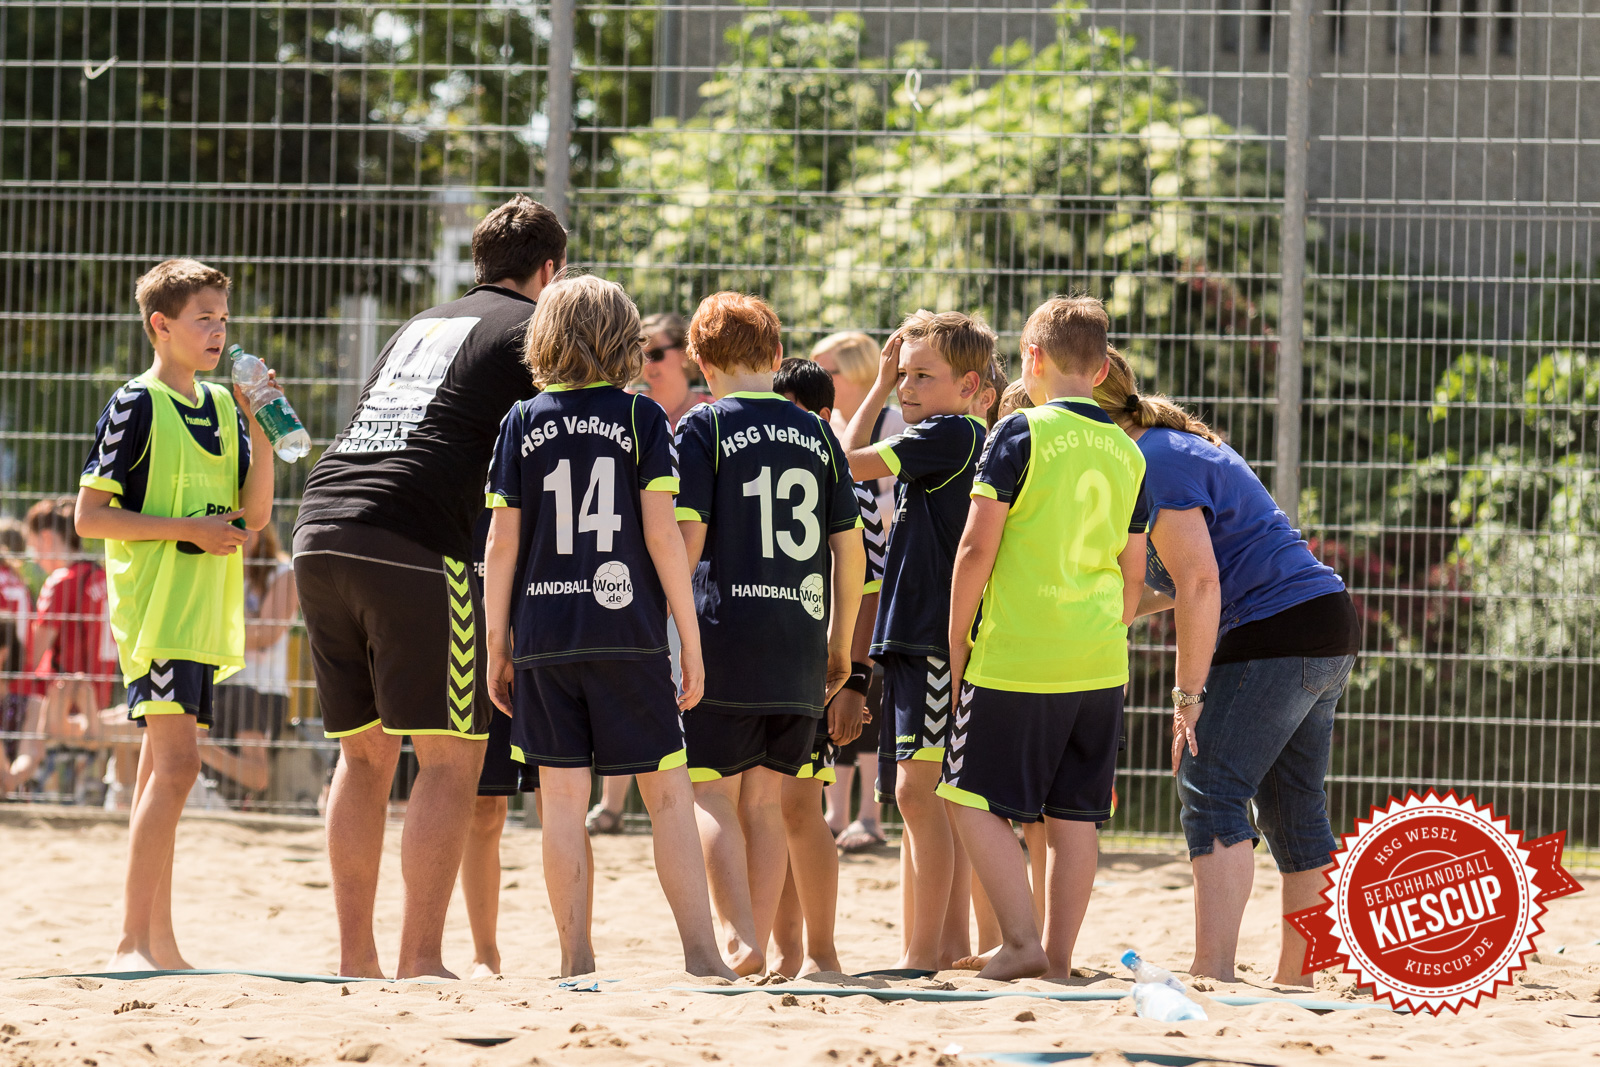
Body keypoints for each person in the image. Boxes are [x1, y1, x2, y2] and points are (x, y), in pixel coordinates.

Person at [292, 195, 566, 980]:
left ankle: (357, 959)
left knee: (364, 755)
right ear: (551, 271)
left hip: (323, 523)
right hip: (413, 539)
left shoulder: (421, 323)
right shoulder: (530, 330)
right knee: (451, 759)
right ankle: (420, 960)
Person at [479, 274, 731, 979]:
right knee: (668, 794)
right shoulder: (640, 417)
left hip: (545, 630)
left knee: (562, 799)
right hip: (629, 632)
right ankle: (703, 955)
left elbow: (502, 543)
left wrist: (499, 640)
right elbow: (661, 534)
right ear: (623, 338)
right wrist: (689, 633)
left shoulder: (521, 421)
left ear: (545, 338)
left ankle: (574, 958)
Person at [1094, 346, 1361, 987]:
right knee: (1295, 810)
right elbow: (1182, 579)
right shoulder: (1166, 446)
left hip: (1278, 628)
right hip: (1322, 620)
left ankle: (1213, 970)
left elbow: (1200, 584)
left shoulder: (1151, 460)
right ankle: (1298, 979)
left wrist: (1187, 695)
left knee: (1210, 788)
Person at [938, 296, 1147, 981]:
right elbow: (1134, 576)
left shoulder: (1019, 432)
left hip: (1021, 650)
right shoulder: (1127, 450)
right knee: (1074, 814)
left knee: (966, 797)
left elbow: (975, 548)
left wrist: (957, 636)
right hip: (1098, 656)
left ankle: (1022, 939)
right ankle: (1056, 959)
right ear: (1103, 366)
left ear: (1033, 359)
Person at [75, 258, 276, 969]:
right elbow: (90, 517)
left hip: (200, 616)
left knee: (162, 771)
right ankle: (131, 939)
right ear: (161, 326)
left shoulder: (224, 405)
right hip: (157, 613)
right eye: (205, 319)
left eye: (224, 318)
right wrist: (187, 530)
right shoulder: (136, 403)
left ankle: (158, 942)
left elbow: (254, 515)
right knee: (179, 768)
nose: (219, 331)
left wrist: (260, 424)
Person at [674, 293, 864, 977]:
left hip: (727, 631)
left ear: (701, 362)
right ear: (778, 357)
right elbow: (851, 548)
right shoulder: (817, 434)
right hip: (800, 639)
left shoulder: (705, 428)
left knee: (711, 790)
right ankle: (755, 938)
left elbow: (688, 537)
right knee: (766, 799)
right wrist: (840, 644)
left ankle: (737, 936)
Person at [842, 310, 992, 972]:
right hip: (911, 636)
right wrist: (880, 384)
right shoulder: (943, 432)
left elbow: (845, 461)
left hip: (932, 636)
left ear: (967, 384)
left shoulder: (950, 431)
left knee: (918, 792)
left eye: (921, 376)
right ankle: (946, 944)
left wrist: (874, 394)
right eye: (905, 375)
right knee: (923, 796)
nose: (908, 387)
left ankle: (922, 953)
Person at [768, 356, 882, 976]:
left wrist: (853, 678)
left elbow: (865, 587)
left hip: (816, 667)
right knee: (763, 809)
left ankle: (821, 952)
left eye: (789, 410)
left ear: (818, 415)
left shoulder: (842, 477)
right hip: (762, 660)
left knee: (797, 809)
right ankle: (782, 952)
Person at [587, 311, 710, 835]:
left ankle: (681, 800)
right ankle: (612, 804)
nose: (646, 363)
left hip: (692, 569)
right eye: (640, 353)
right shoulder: (628, 413)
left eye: (656, 353)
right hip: (632, 568)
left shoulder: (705, 412)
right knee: (630, 682)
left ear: (684, 356)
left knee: (675, 684)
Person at [807, 332, 899, 855]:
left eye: (831, 369)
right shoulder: (829, 426)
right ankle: (836, 812)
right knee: (833, 688)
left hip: (879, 581)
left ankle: (870, 815)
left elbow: (888, 501)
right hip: (839, 578)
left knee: (868, 693)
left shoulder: (889, 423)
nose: (825, 380)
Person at [204, 525, 298, 807]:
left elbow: (266, 635)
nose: (239, 536)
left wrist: (213, 632)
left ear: (262, 530)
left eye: (246, 529)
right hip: (218, 683)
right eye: (231, 529)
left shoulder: (282, 573)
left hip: (258, 687)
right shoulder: (212, 570)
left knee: (249, 770)